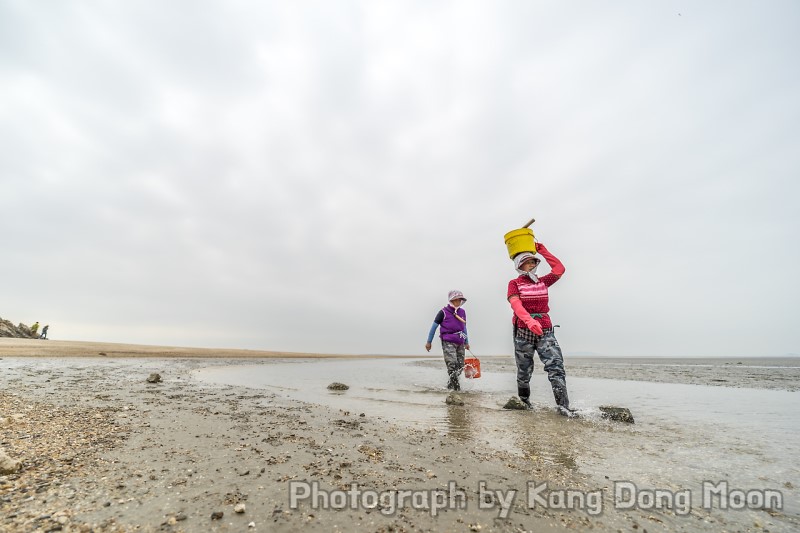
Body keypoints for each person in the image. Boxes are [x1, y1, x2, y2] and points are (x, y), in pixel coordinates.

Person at [507, 242, 577, 417]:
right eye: (529, 261)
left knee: (556, 366)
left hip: (545, 330)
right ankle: (524, 402)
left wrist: (543, 251)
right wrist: (529, 321)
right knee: (524, 369)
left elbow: (559, 269)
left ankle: (563, 407)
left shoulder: (543, 282)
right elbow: (516, 304)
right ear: (519, 265)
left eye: (534, 261)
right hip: (523, 330)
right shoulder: (514, 283)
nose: (533, 264)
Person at [425, 290, 470, 391]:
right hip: (448, 341)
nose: (459, 301)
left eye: (460, 299)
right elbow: (434, 327)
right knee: (452, 364)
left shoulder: (462, 312)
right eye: (457, 299)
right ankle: (456, 388)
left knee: (460, 366)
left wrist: (467, 342)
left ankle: (450, 385)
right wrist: (429, 342)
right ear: (452, 300)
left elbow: (464, 327)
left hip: (460, 342)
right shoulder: (443, 312)